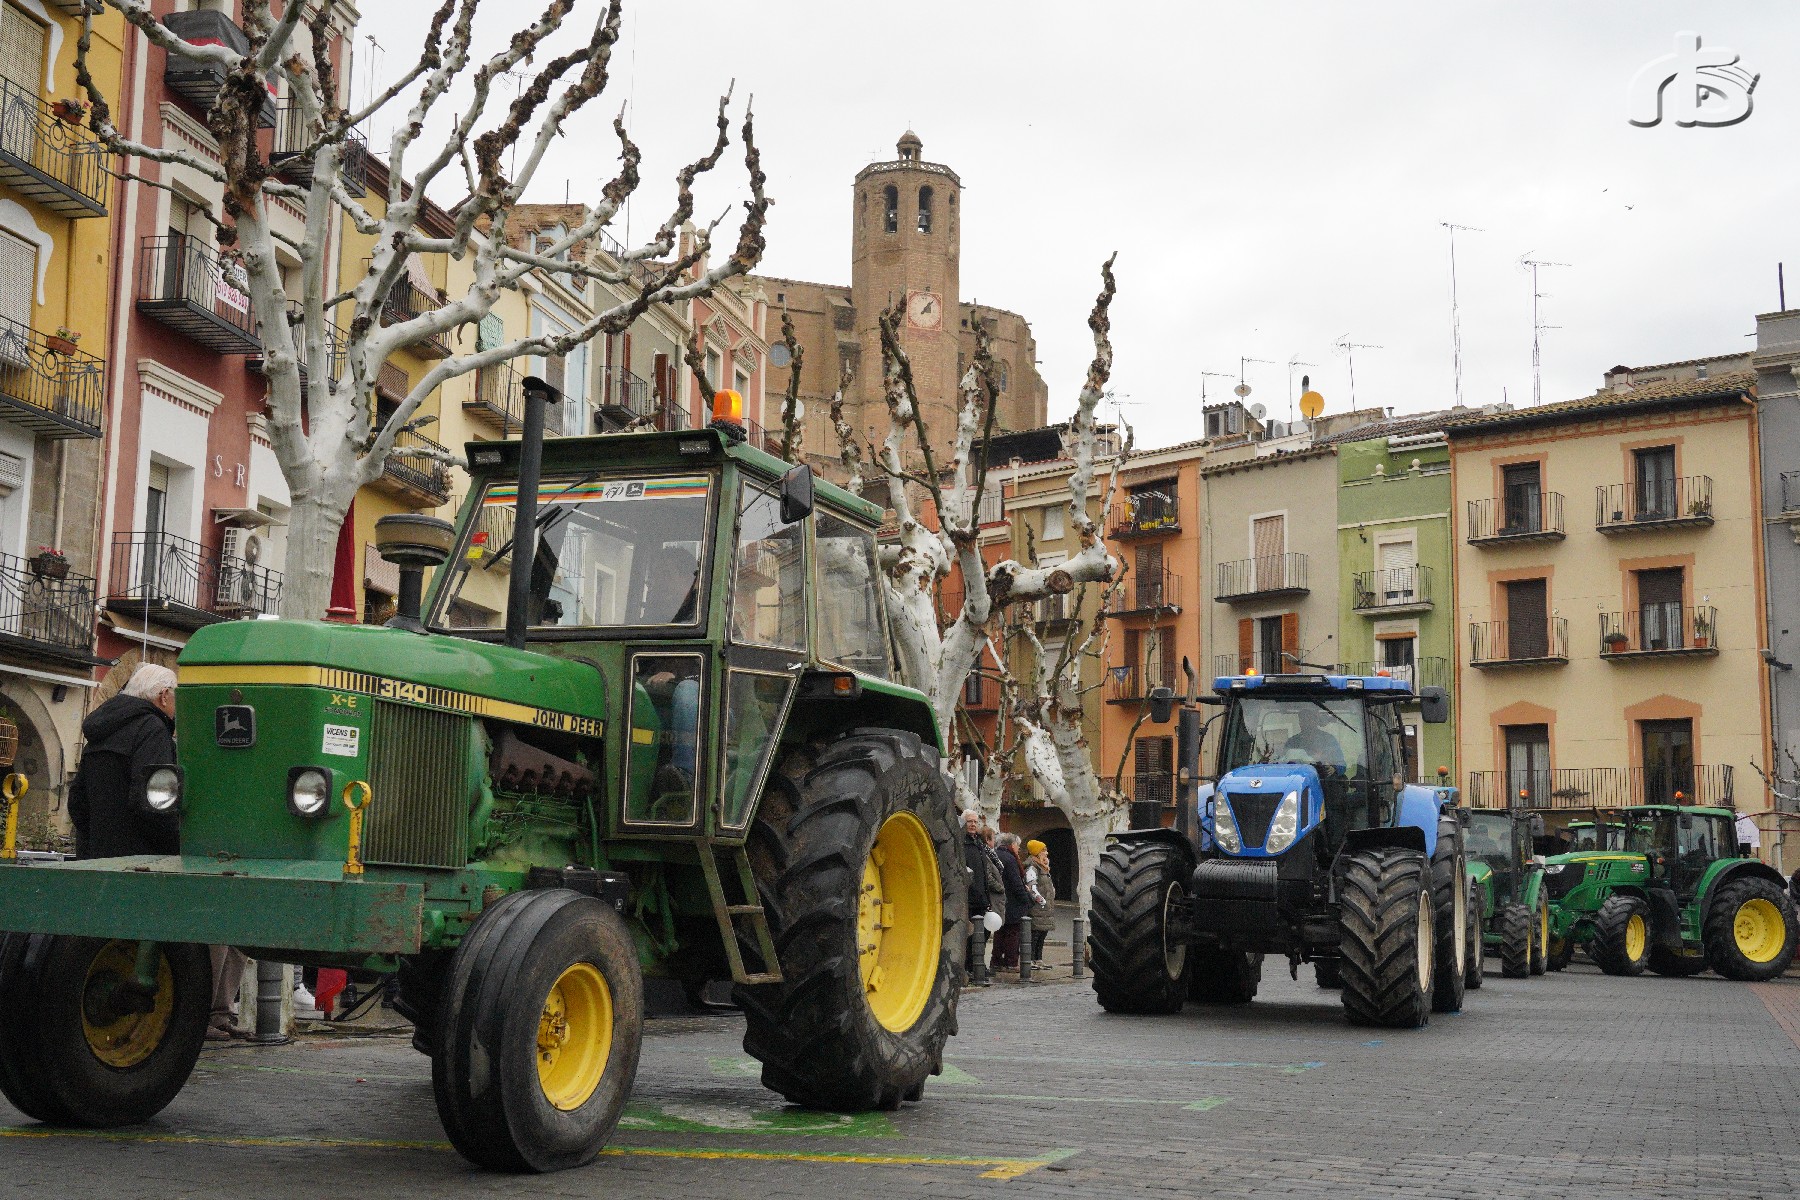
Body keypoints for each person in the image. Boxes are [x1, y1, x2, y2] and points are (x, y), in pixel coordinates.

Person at [68, 663, 180, 860]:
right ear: (164, 696)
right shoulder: (152, 729)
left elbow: (77, 802)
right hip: (139, 861)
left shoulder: (102, 729)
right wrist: (174, 847)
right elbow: (154, 802)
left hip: (95, 859)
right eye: (175, 699)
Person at [990, 833, 1034, 973]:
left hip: (999, 901)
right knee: (1013, 933)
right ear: (1012, 844)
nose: (1018, 849)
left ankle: (996, 961)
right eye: (1018, 845)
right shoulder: (1010, 859)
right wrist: (1026, 898)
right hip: (1013, 902)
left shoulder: (995, 854)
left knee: (1000, 932)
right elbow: (1016, 883)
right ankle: (1011, 962)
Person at [961, 810, 990, 985]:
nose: (973, 824)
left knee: (983, 933)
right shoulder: (961, 844)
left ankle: (977, 965)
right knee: (969, 935)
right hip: (968, 898)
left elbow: (984, 873)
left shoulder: (978, 844)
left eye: (975, 822)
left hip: (981, 898)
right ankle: (968, 966)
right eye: (969, 821)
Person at [1282, 706, 1347, 774]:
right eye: (1302, 719)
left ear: (1316, 721)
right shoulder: (1292, 742)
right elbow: (1282, 763)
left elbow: (1342, 764)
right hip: (1296, 779)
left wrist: (1334, 768)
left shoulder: (1329, 740)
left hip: (1323, 779)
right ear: (1300, 722)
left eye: (1309, 719)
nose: (1306, 723)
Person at [1024, 840, 1056, 964]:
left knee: (1042, 933)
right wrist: (1042, 901)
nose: (1046, 853)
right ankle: (1031, 959)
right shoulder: (1032, 867)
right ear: (1036, 853)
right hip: (1038, 907)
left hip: (1046, 907)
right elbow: (1032, 887)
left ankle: (1039, 958)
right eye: (1043, 851)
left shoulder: (1044, 867)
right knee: (1035, 934)